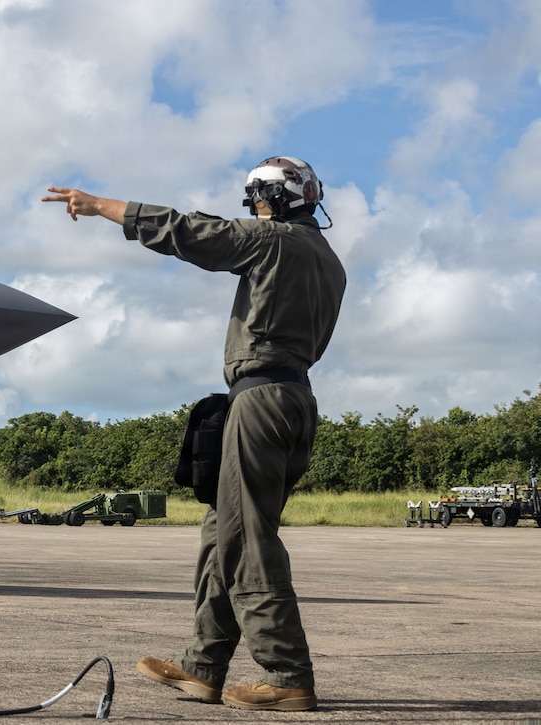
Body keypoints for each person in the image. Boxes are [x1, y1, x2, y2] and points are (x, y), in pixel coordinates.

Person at [41, 157, 346, 712]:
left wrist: (103, 207)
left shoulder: (275, 241)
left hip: (262, 399)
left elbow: (192, 233)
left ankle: (287, 673)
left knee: (247, 541)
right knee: (221, 533)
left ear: (273, 200)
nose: (253, 209)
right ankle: (204, 666)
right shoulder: (328, 259)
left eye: (256, 200)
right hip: (291, 398)